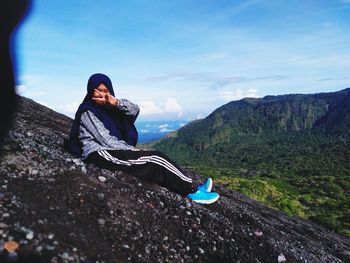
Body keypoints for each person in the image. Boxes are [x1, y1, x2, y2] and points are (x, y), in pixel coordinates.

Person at [67, 73, 219, 204]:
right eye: (98, 91)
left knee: (156, 158)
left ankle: (192, 186)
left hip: (111, 149)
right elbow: (105, 140)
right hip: (100, 153)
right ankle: (193, 192)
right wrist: (133, 151)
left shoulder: (110, 107)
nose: (102, 94)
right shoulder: (88, 112)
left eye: (106, 91)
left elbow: (134, 110)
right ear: (90, 92)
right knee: (155, 158)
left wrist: (115, 102)